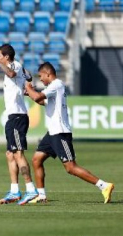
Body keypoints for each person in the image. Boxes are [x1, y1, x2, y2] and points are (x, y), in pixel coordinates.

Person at [24, 62, 114, 204]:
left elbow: (37, 97)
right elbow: (42, 102)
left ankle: (104, 185)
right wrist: (30, 93)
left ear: (48, 74)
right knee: (36, 160)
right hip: (52, 133)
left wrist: (29, 89)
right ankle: (41, 195)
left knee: (70, 167)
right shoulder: (53, 88)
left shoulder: (56, 84)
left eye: (41, 76)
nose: (40, 79)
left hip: (60, 132)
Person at [0, 44, 38, 205]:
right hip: (13, 117)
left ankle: (31, 189)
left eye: (0, 55)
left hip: (18, 117)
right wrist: (27, 86)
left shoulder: (14, 65)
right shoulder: (17, 68)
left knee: (18, 154)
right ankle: (15, 191)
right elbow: (29, 77)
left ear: (7, 57)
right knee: (10, 154)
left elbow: (11, 72)